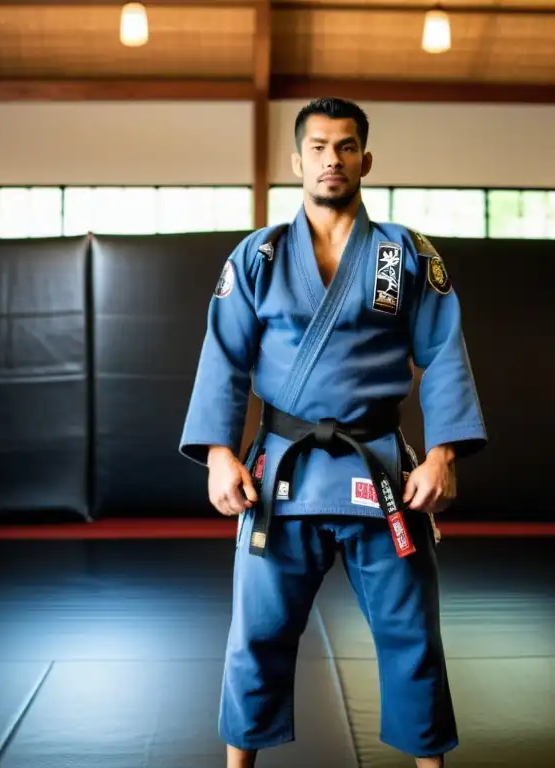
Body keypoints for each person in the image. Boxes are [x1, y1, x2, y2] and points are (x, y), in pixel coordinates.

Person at [180, 97, 487, 768]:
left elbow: (442, 353)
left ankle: (429, 764)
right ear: (297, 161)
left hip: (381, 477)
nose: (331, 159)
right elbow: (224, 355)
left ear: (365, 160)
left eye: (345, 147)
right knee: (256, 636)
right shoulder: (258, 255)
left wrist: (441, 455)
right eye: (318, 147)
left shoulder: (402, 254)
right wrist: (219, 454)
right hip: (280, 480)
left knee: (413, 636)